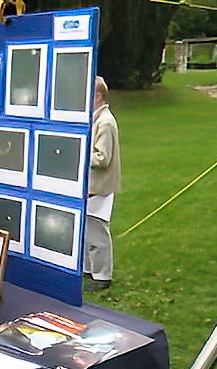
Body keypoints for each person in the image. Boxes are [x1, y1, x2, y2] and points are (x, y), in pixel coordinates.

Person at [84, 76, 121, 293]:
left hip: (100, 187)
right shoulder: (97, 118)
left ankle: (103, 276)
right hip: (92, 186)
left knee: (98, 231)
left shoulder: (105, 122)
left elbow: (102, 158)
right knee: (89, 230)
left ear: (98, 96)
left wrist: (79, 155)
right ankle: (91, 270)